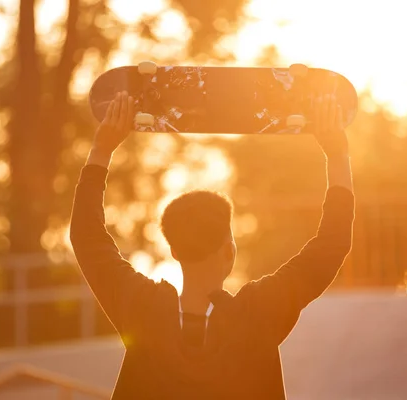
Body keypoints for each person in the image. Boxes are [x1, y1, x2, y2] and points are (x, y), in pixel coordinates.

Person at [70, 91, 354, 399]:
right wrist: (337, 155)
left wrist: (102, 149)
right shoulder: (258, 314)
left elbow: (87, 237)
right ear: (229, 252)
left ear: (174, 251)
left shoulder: (143, 311)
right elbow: (332, 243)